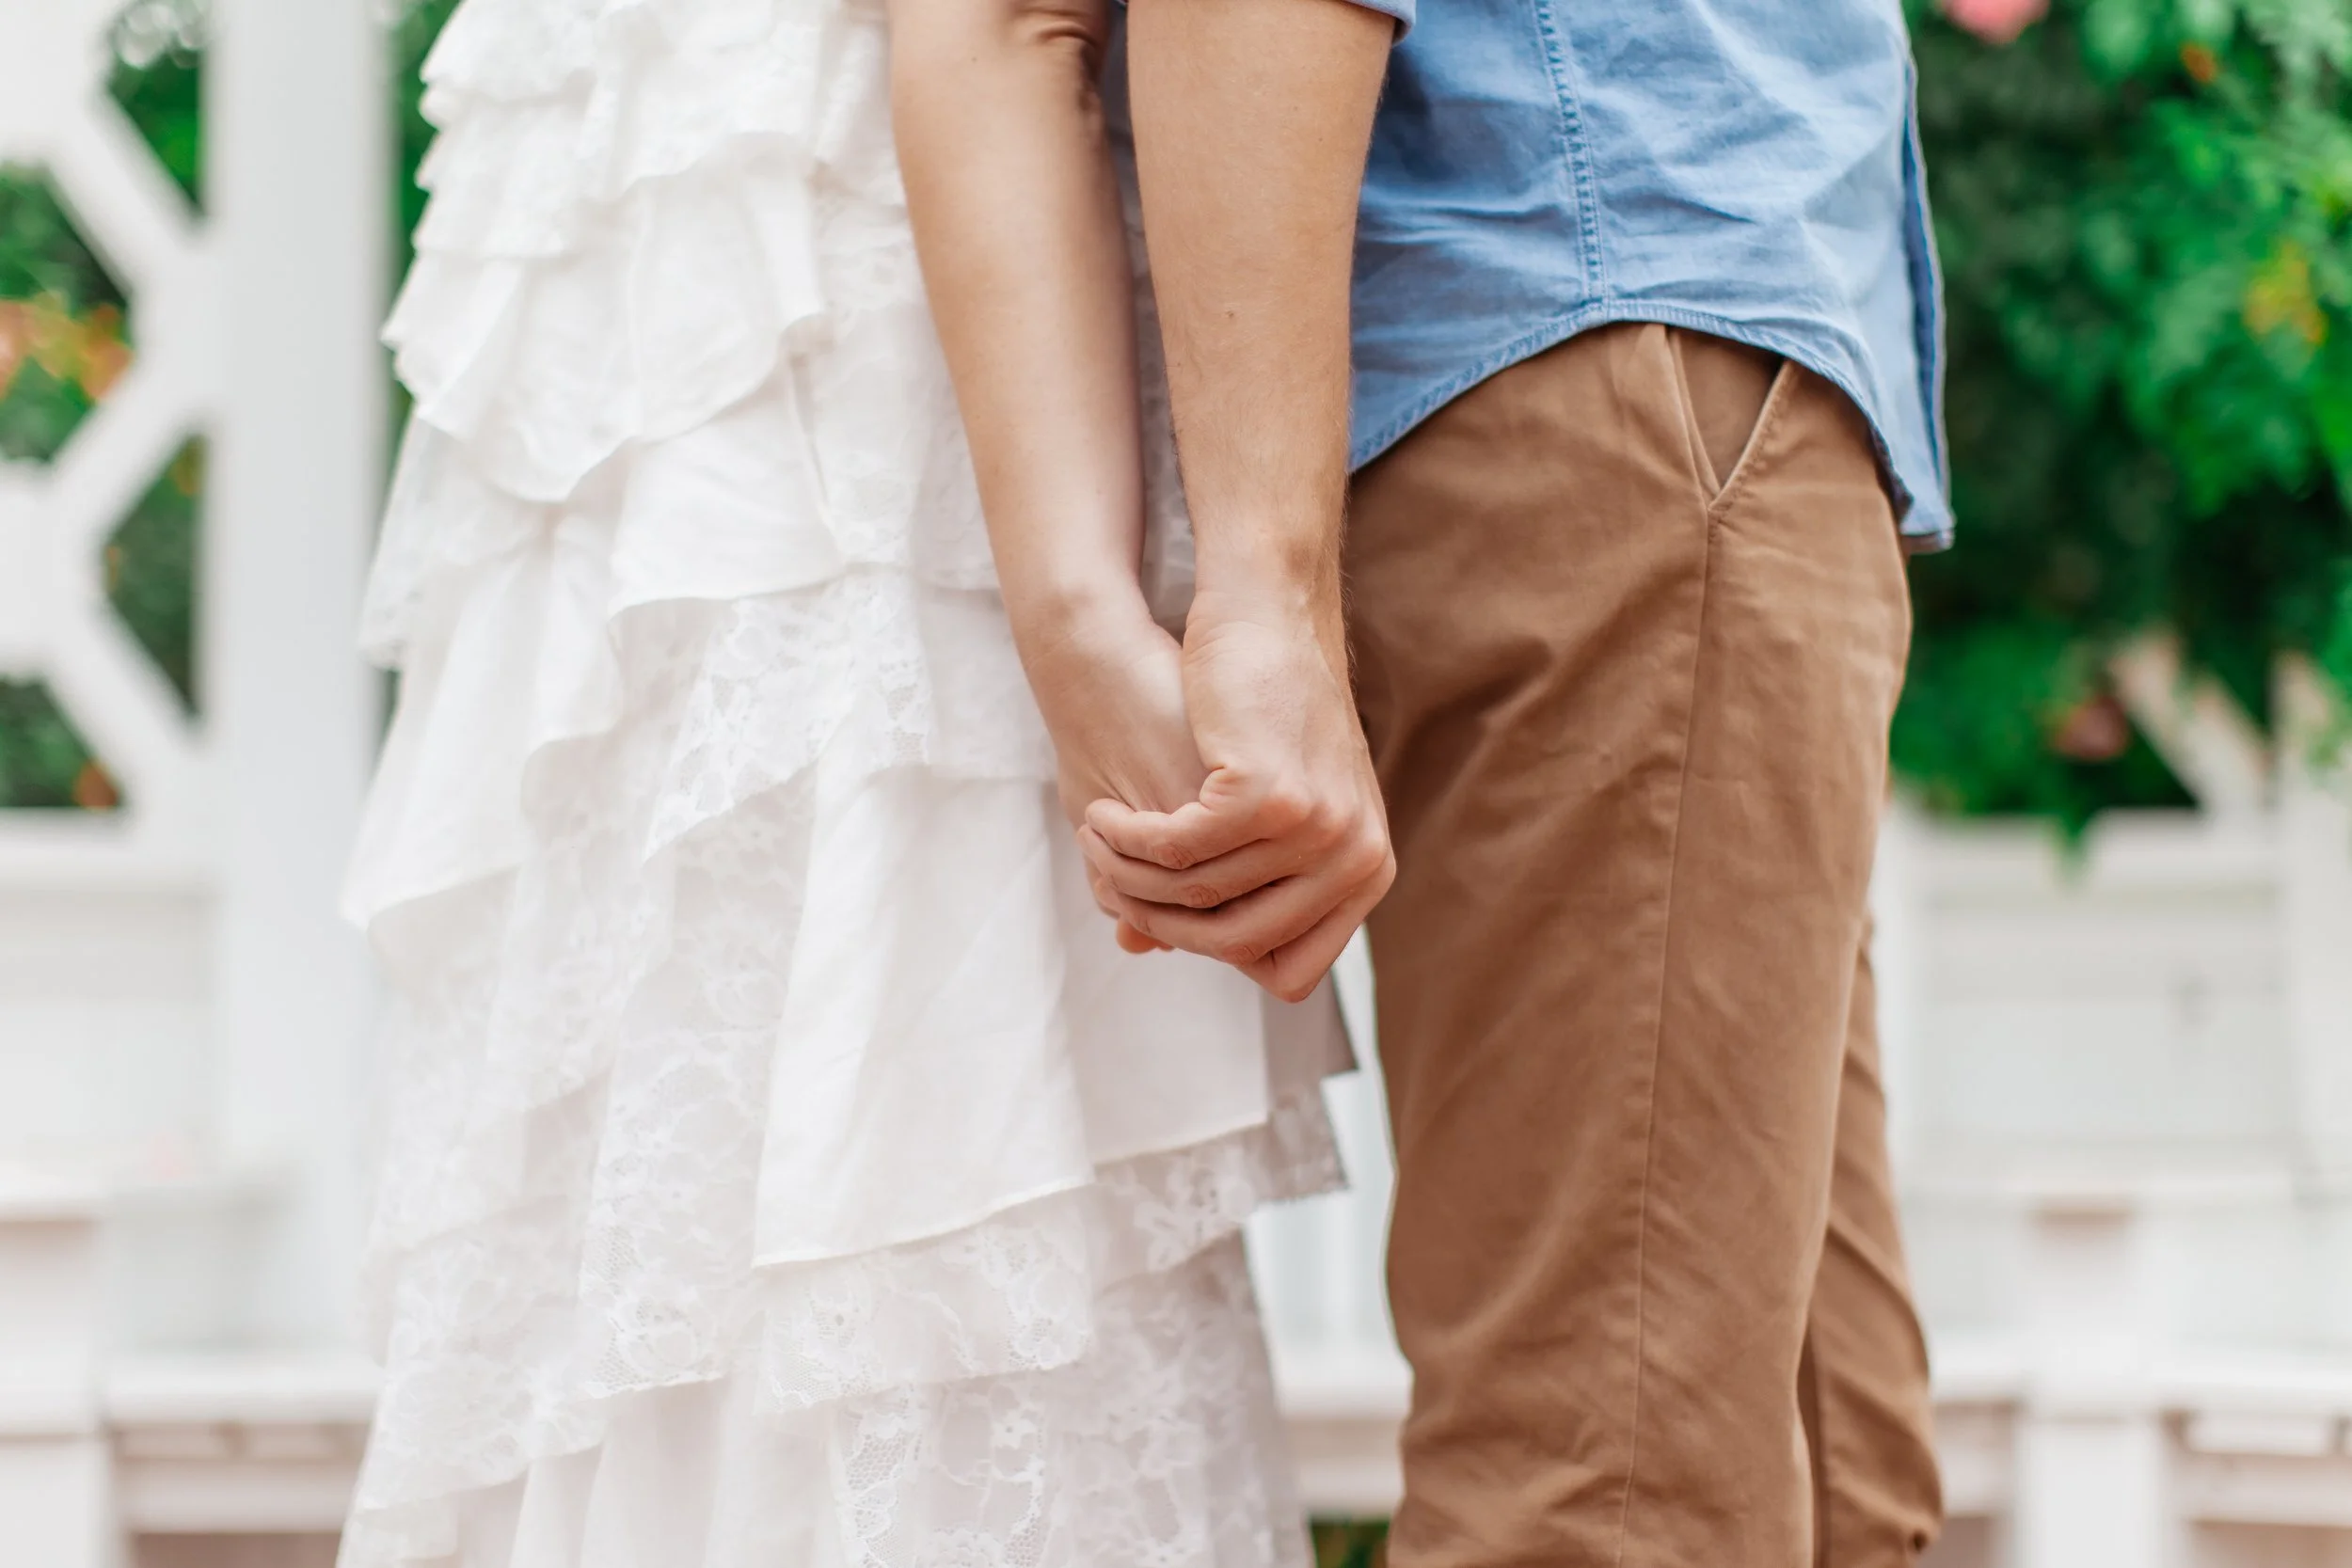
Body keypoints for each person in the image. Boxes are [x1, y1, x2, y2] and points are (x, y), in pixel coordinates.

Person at [336, 0, 1352, 1561]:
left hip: (682, 305)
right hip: (854, 363)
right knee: (877, 1169)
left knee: (749, 1188)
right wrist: (1085, 616)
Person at [1082, 0, 1950, 1563]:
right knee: (1609, 1495)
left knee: (1828, 1481)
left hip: (1657, 353)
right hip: (1604, 341)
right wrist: (1265, 587)